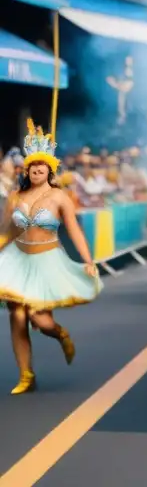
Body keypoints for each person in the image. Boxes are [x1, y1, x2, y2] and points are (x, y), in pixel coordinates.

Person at [0, 120, 101, 395]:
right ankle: (26, 375)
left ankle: (60, 334)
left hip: (47, 263)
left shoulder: (60, 197)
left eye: (41, 166)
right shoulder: (14, 197)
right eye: (32, 166)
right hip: (17, 261)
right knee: (17, 316)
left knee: (39, 319)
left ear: (49, 169)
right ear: (27, 169)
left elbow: (76, 232)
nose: (36, 170)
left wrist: (88, 260)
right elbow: (7, 232)